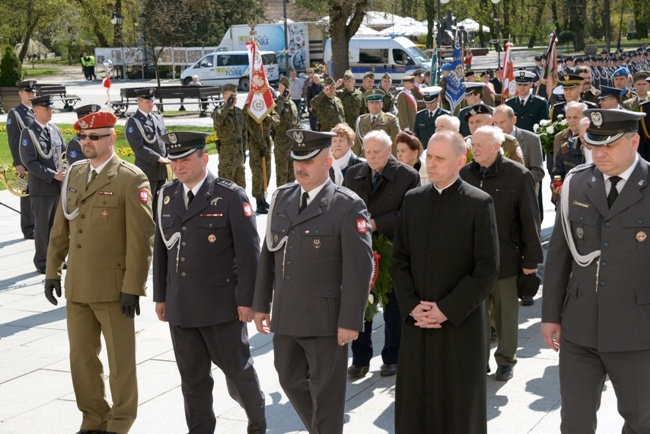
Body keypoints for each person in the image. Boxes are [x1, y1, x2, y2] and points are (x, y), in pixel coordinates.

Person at [252, 129, 374, 433]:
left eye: (308, 160)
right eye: (296, 160)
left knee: (328, 394)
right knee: (288, 378)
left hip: (326, 320)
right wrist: (260, 304)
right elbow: (268, 255)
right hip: (287, 313)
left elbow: (360, 269)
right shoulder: (282, 197)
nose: (299, 167)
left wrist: (350, 320)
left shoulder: (347, 205)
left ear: (328, 161)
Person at [44, 111, 155, 434]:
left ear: (111, 139)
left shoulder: (130, 179)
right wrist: (52, 271)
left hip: (113, 287)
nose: (86, 143)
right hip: (77, 284)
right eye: (82, 137)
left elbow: (141, 238)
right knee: (81, 360)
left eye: (94, 137)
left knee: (121, 363)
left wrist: (133, 286)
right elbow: (60, 227)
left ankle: (119, 423)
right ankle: (93, 418)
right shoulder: (76, 173)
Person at [541, 108, 650, 434]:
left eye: (609, 145)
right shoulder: (577, 183)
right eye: (594, 144)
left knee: (642, 420)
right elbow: (559, 255)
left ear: (634, 142)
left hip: (637, 331)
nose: (599, 153)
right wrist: (550, 315)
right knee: (574, 422)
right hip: (580, 326)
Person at [153, 131, 266, 434]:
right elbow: (162, 250)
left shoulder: (230, 195)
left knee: (238, 372)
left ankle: (257, 419)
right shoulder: (166, 195)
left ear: (204, 158)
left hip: (221, 307)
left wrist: (247, 301)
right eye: (174, 160)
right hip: (181, 305)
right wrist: (160, 296)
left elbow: (248, 253)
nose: (178, 165)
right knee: (192, 380)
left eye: (185, 159)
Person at [391, 130, 499, 434]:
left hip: (459, 324)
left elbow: (487, 268)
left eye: (440, 158)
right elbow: (399, 261)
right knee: (415, 404)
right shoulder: (412, 200)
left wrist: (447, 309)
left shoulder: (479, 203)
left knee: (459, 407)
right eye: (429, 156)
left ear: (459, 162)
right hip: (418, 322)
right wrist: (413, 307)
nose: (432, 163)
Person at [460, 125, 543, 381]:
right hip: (472, 262)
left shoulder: (518, 175)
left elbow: (530, 220)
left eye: (481, 145)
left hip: (506, 259)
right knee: (476, 315)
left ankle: (506, 360)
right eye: (474, 144)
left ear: (497, 147)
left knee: (506, 316)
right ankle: (478, 359)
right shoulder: (464, 173)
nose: (476, 149)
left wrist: (530, 261)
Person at [345, 130, 420, 379]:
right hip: (360, 247)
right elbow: (344, 206)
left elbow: (409, 214)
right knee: (361, 303)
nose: (372, 156)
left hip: (392, 247)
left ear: (389, 151)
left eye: (377, 152)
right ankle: (360, 358)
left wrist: (376, 224)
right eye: (367, 151)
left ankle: (392, 357)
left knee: (393, 305)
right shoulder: (354, 174)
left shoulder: (407, 176)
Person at [19, 94, 66, 274]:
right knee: (42, 227)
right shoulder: (28, 133)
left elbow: (64, 153)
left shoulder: (54, 130)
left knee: (58, 226)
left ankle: (57, 258)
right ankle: (42, 261)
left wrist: (65, 171)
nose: (50, 111)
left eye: (51, 108)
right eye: (46, 108)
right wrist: (53, 175)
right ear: (35, 110)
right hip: (42, 187)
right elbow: (30, 162)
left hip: (57, 186)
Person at [125, 88, 169, 209]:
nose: (151, 104)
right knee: (147, 204)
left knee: (161, 204)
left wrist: (170, 155)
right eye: (147, 102)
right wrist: (158, 158)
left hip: (162, 169)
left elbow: (165, 139)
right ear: (139, 101)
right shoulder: (134, 121)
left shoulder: (158, 118)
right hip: (147, 169)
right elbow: (138, 147)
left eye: (152, 101)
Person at [6, 79, 37, 239]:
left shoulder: (36, 111)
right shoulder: (16, 114)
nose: (32, 95)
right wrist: (18, 163)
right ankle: (28, 228)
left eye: (33, 92)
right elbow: (13, 139)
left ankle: (38, 224)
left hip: (38, 161)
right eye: (28, 92)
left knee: (39, 193)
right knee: (27, 195)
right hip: (25, 162)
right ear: (20, 93)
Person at [244, 107, 280, 214]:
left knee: (267, 171)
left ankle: (264, 198)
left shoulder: (267, 106)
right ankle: (258, 200)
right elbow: (251, 128)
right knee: (257, 172)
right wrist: (261, 144)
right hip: (255, 143)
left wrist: (267, 116)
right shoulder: (250, 107)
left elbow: (277, 120)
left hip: (267, 141)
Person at [212, 83, 247, 188]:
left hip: (239, 155)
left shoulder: (239, 112)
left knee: (241, 186)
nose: (234, 97)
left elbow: (244, 133)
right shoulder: (218, 112)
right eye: (231, 95)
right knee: (226, 186)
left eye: (235, 95)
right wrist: (227, 106)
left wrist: (244, 150)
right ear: (224, 96)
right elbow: (218, 121)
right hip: (227, 156)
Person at [353, 89, 401, 156]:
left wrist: (392, 162)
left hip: (383, 159)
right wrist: (355, 162)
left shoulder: (391, 120)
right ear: (367, 104)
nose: (374, 105)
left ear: (382, 104)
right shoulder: (361, 120)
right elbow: (357, 144)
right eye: (371, 103)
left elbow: (395, 143)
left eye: (377, 102)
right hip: (365, 160)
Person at [274, 76, 301, 187]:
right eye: (280, 89)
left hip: (293, 144)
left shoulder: (293, 104)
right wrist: (281, 99)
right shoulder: (275, 103)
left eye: (284, 89)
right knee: (282, 173)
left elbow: (297, 122)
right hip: (281, 145)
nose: (281, 91)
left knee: (292, 173)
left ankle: (290, 196)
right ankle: (281, 198)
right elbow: (274, 117)